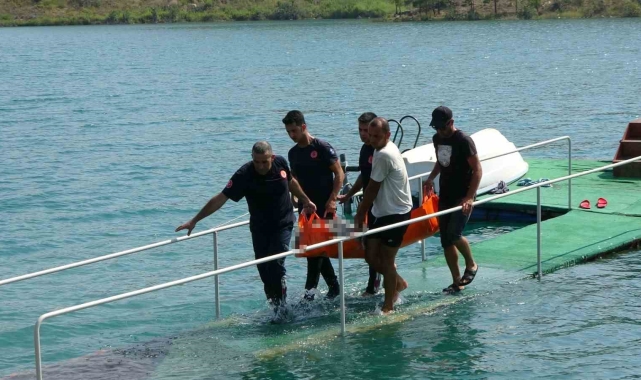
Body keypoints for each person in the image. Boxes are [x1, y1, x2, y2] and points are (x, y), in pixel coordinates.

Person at [175, 141, 316, 311]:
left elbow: (291, 182)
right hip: (259, 228)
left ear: (271, 157)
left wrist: (305, 199)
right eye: (257, 162)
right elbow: (220, 199)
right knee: (264, 272)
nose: (261, 166)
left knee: (275, 264)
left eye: (265, 161)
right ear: (252, 158)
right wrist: (195, 220)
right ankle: (275, 307)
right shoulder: (244, 174)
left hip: (283, 224)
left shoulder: (280, 163)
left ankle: (282, 309)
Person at [354, 117, 413, 314]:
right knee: (371, 256)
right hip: (381, 211)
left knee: (387, 260)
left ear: (388, 135)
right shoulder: (378, 150)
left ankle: (388, 305)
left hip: (396, 213)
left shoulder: (384, 154)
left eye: (376, 136)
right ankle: (398, 282)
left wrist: (358, 215)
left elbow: (371, 189)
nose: (371, 139)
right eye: (369, 135)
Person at [283, 110, 343, 301]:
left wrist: (333, 199)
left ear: (303, 127)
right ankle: (334, 287)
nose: (292, 135)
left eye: (294, 131)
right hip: (305, 210)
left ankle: (308, 296)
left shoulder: (322, 147)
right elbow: (295, 179)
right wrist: (294, 197)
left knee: (314, 253)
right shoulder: (293, 153)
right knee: (314, 250)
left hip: (324, 207)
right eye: (288, 132)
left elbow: (339, 174)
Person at [423, 106, 482, 294]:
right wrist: (431, 177)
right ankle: (457, 282)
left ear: (451, 123)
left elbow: (477, 170)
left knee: (454, 234)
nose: (439, 131)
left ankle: (472, 264)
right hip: (446, 195)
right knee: (446, 241)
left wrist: (469, 197)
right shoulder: (437, 139)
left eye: (442, 127)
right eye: (436, 128)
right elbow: (442, 161)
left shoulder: (464, 141)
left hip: (463, 195)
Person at [338, 112, 382, 297]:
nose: (363, 134)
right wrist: (348, 194)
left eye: (366, 130)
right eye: (360, 130)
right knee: (368, 245)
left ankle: (383, 284)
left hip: (383, 206)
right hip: (370, 206)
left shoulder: (381, 151)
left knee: (377, 247)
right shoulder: (365, 150)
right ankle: (374, 284)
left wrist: (361, 208)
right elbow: (364, 177)